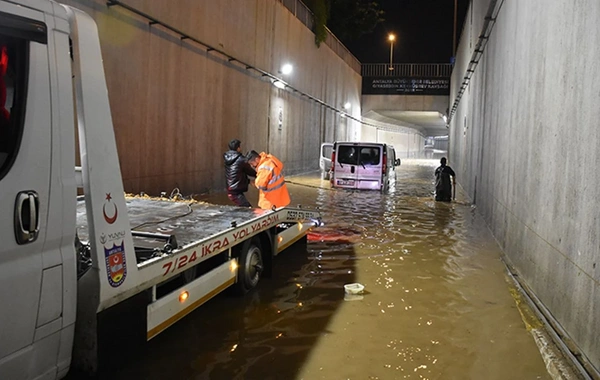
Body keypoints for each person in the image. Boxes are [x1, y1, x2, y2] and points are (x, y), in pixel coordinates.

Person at [223, 139, 256, 207]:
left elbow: (236, 173)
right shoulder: (241, 159)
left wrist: (248, 181)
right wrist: (258, 175)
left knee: (243, 207)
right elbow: (249, 171)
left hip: (231, 188)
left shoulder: (227, 158)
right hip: (236, 190)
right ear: (238, 148)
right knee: (248, 208)